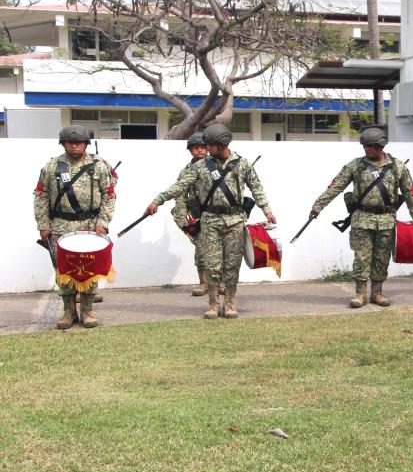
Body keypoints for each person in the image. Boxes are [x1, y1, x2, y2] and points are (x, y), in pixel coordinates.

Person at [146, 123, 276, 319]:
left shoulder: (243, 164)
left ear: (221, 145)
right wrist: (158, 200)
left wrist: (267, 210)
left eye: (209, 145)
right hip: (209, 222)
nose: (206, 149)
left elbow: (257, 189)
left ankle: (230, 304)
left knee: (232, 266)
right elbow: (180, 186)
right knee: (213, 266)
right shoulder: (200, 166)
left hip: (235, 221)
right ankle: (214, 305)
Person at [308, 126, 413, 308]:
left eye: (370, 146)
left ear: (380, 146)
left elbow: (410, 192)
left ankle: (377, 293)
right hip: (361, 219)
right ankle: (360, 294)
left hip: (386, 220)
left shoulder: (396, 166)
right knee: (361, 258)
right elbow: (335, 186)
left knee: (381, 258)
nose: (366, 149)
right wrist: (318, 206)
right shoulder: (356, 165)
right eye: (365, 146)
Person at [33, 125, 117, 329]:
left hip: (90, 225)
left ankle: (87, 312)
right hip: (61, 225)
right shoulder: (52, 167)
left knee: (90, 268)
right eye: (70, 142)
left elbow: (109, 194)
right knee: (64, 270)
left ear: (86, 144)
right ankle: (68, 312)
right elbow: (41, 196)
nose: (74, 145)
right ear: (63, 144)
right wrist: (43, 224)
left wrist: (103, 223)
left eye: (78, 142)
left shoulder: (99, 165)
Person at [169, 132, 212, 296]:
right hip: (196, 215)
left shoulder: (215, 166)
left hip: (216, 213)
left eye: (203, 147)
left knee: (220, 250)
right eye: (196, 148)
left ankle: (219, 283)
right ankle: (204, 283)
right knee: (201, 249)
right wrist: (182, 221)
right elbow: (179, 195)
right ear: (190, 150)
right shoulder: (186, 171)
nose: (200, 151)